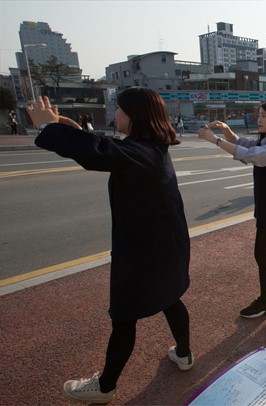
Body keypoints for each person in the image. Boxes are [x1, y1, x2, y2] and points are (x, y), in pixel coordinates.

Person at [27, 89, 193, 404]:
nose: (114, 113)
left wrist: (48, 128)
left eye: (118, 108)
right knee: (171, 299)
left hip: (143, 253)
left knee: (124, 316)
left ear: (135, 115)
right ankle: (183, 354)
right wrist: (74, 131)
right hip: (166, 246)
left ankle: (104, 387)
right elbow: (110, 149)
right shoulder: (151, 148)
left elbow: (100, 154)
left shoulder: (142, 152)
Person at [198, 100, 266, 318]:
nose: (259, 119)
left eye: (264, 116)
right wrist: (226, 130)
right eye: (259, 115)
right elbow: (243, 144)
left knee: (262, 255)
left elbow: (249, 154)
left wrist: (216, 140)